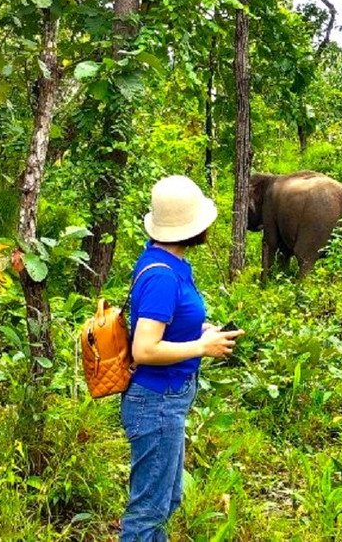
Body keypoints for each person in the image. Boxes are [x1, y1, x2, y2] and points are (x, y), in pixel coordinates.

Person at [121, 175, 243, 542]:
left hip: (168, 399)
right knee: (148, 512)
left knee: (167, 499)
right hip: (157, 401)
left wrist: (201, 330)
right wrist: (201, 348)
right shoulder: (162, 276)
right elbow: (143, 349)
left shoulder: (167, 262)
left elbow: (168, 321)